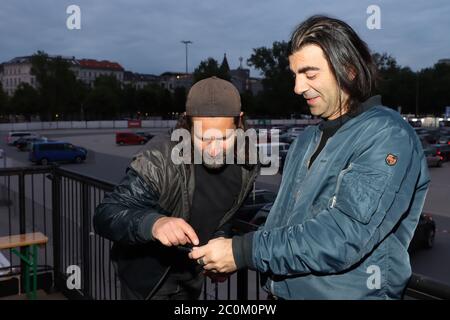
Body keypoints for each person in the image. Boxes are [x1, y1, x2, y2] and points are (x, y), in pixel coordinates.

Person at [189, 15, 430, 300]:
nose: (297, 87)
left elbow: (341, 237)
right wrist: (234, 255)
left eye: (310, 74)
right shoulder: (307, 139)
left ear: (349, 70)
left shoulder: (387, 134)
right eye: (295, 75)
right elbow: (285, 224)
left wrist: (243, 252)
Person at [94, 76, 260, 300]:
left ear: (239, 122)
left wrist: (219, 246)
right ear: (188, 123)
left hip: (192, 277)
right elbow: (106, 214)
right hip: (147, 282)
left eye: (224, 138)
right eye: (203, 138)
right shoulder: (159, 157)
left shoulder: (247, 164)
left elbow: (226, 212)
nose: (213, 150)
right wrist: (154, 223)